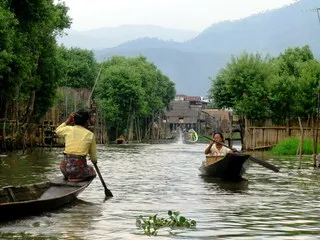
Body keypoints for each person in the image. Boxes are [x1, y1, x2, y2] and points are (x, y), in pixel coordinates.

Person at [55, 109, 97, 181]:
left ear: (73, 120)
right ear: (87, 121)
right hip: (79, 170)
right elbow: (93, 158)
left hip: (64, 168)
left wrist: (68, 120)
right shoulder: (90, 135)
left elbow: (57, 130)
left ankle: (70, 176)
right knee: (92, 170)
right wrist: (94, 162)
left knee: (71, 167)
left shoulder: (68, 129)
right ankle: (78, 178)